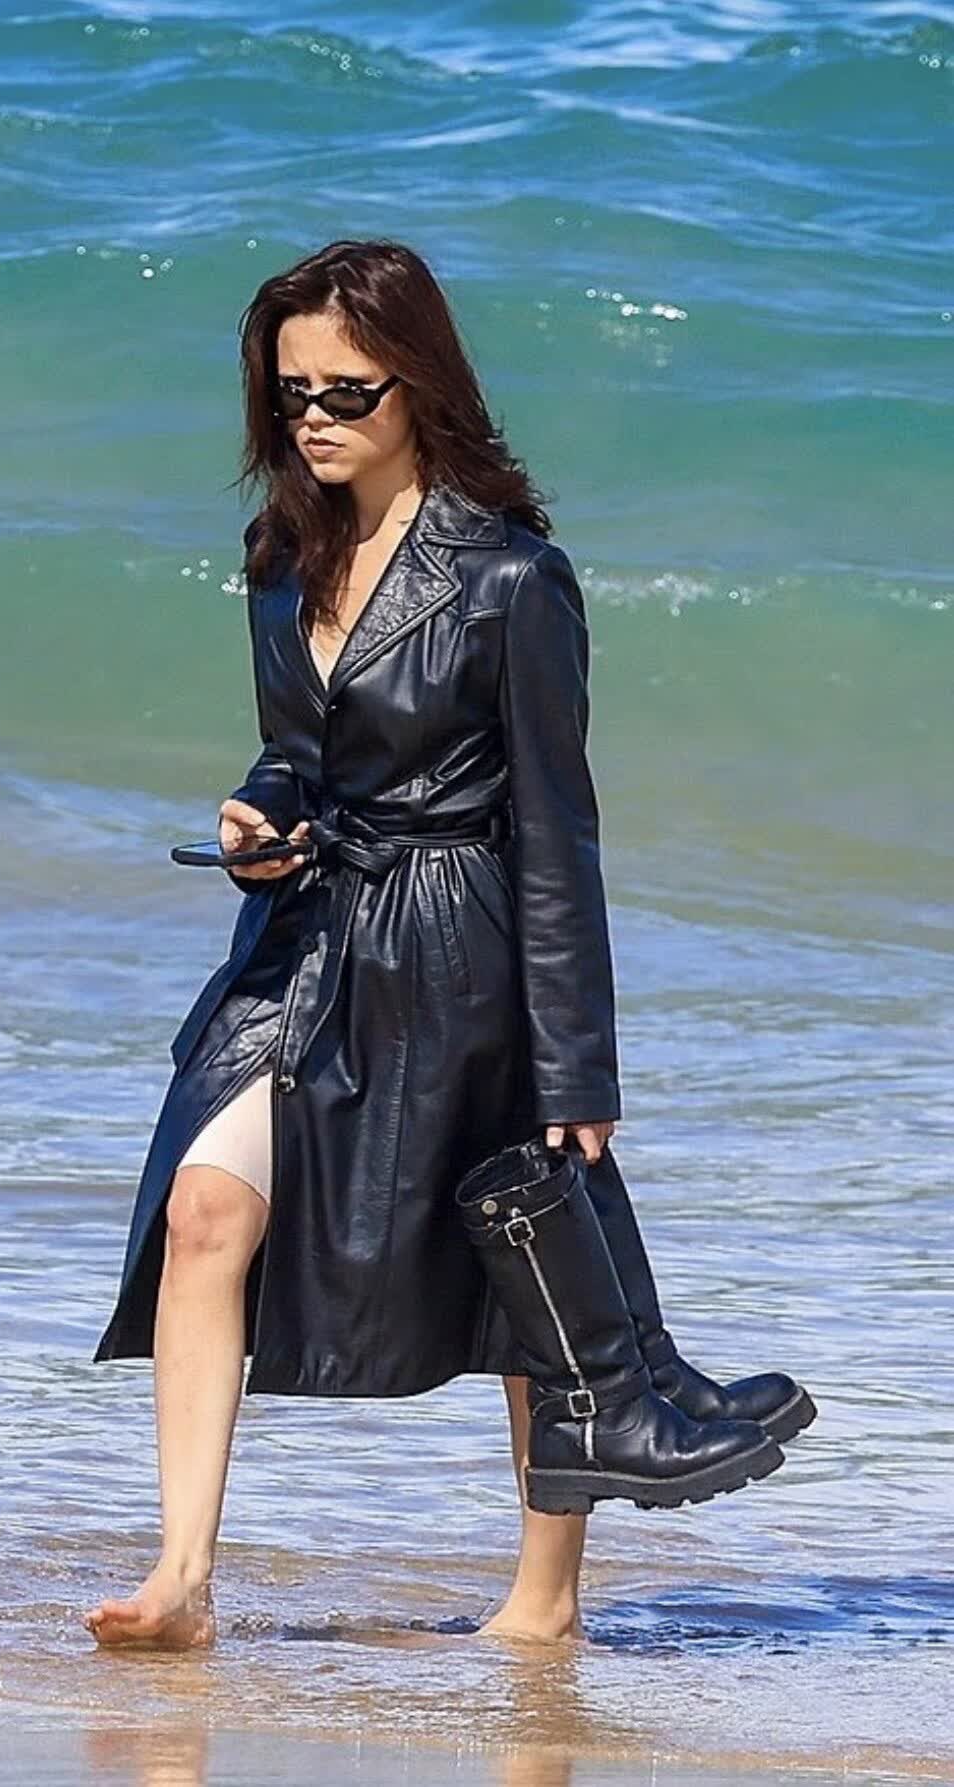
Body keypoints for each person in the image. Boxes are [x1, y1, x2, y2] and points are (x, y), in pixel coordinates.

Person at [86, 238, 814, 1652]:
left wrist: (575, 1060)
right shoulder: (282, 556)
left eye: (344, 393)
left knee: (518, 1251)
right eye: (291, 392)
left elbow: (557, 829)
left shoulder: (511, 579)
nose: (313, 418)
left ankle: (545, 1602)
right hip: (303, 938)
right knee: (204, 1211)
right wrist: (264, 816)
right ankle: (181, 1579)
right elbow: (303, 753)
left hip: (459, 949)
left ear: (417, 384)